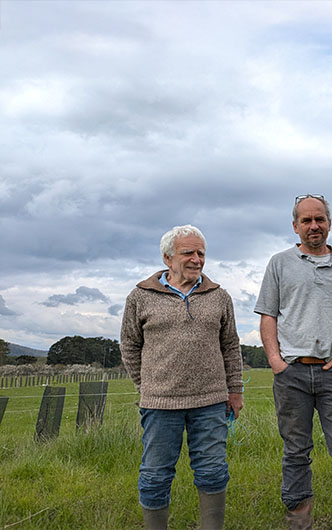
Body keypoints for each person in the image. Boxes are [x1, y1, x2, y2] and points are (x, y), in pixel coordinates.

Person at [255, 194, 332, 530]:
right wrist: (276, 361)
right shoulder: (279, 263)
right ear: (295, 226)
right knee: (295, 452)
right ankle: (299, 524)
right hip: (291, 373)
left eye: (319, 219)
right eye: (306, 221)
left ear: (329, 223)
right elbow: (268, 315)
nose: (314, 226)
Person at [120, 224, 244, 530]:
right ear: (167, 258)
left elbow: (230, 345)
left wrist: (235, 390)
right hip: (160, 404)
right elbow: (129, 345)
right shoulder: (140, 297)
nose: (196, 259)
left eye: (201, 253)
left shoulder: (219, 296)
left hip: (212, 401)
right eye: (188, 252)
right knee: (155, 475)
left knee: (213, 472)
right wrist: (147, 385)